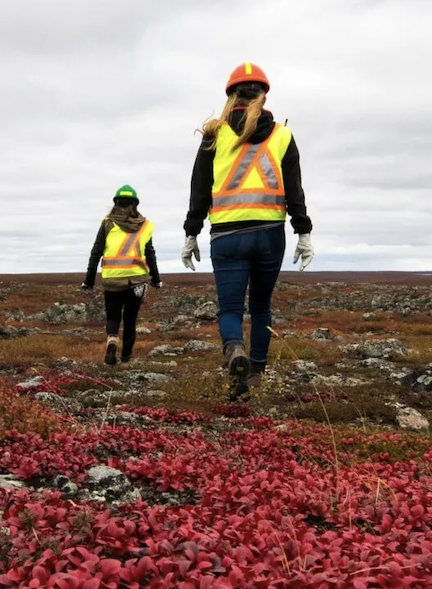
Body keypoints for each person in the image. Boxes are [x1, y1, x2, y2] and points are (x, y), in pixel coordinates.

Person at [180, 62, 313, 397]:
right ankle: (255, 373)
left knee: (229, 309)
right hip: (270, 234)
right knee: (261, 308)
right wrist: (304, 231)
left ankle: (235, 351)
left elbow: (199, 188)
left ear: (232, 95)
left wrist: (191, 232)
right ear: (263, 95)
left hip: (226, 235)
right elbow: (294, 190)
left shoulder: (215, 134)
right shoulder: (282, 135)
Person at [81, 183, 162, 365]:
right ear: (135, 204)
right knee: (130, 320)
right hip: (137, 282)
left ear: (116, 203)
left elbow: (96, 252)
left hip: (112, 280)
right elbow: (150, 254)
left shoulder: (107, 223)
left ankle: (111, 340)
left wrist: (89, 281)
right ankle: (125, 359)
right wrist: (156, 279)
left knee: (113, 317)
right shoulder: (145, 226)